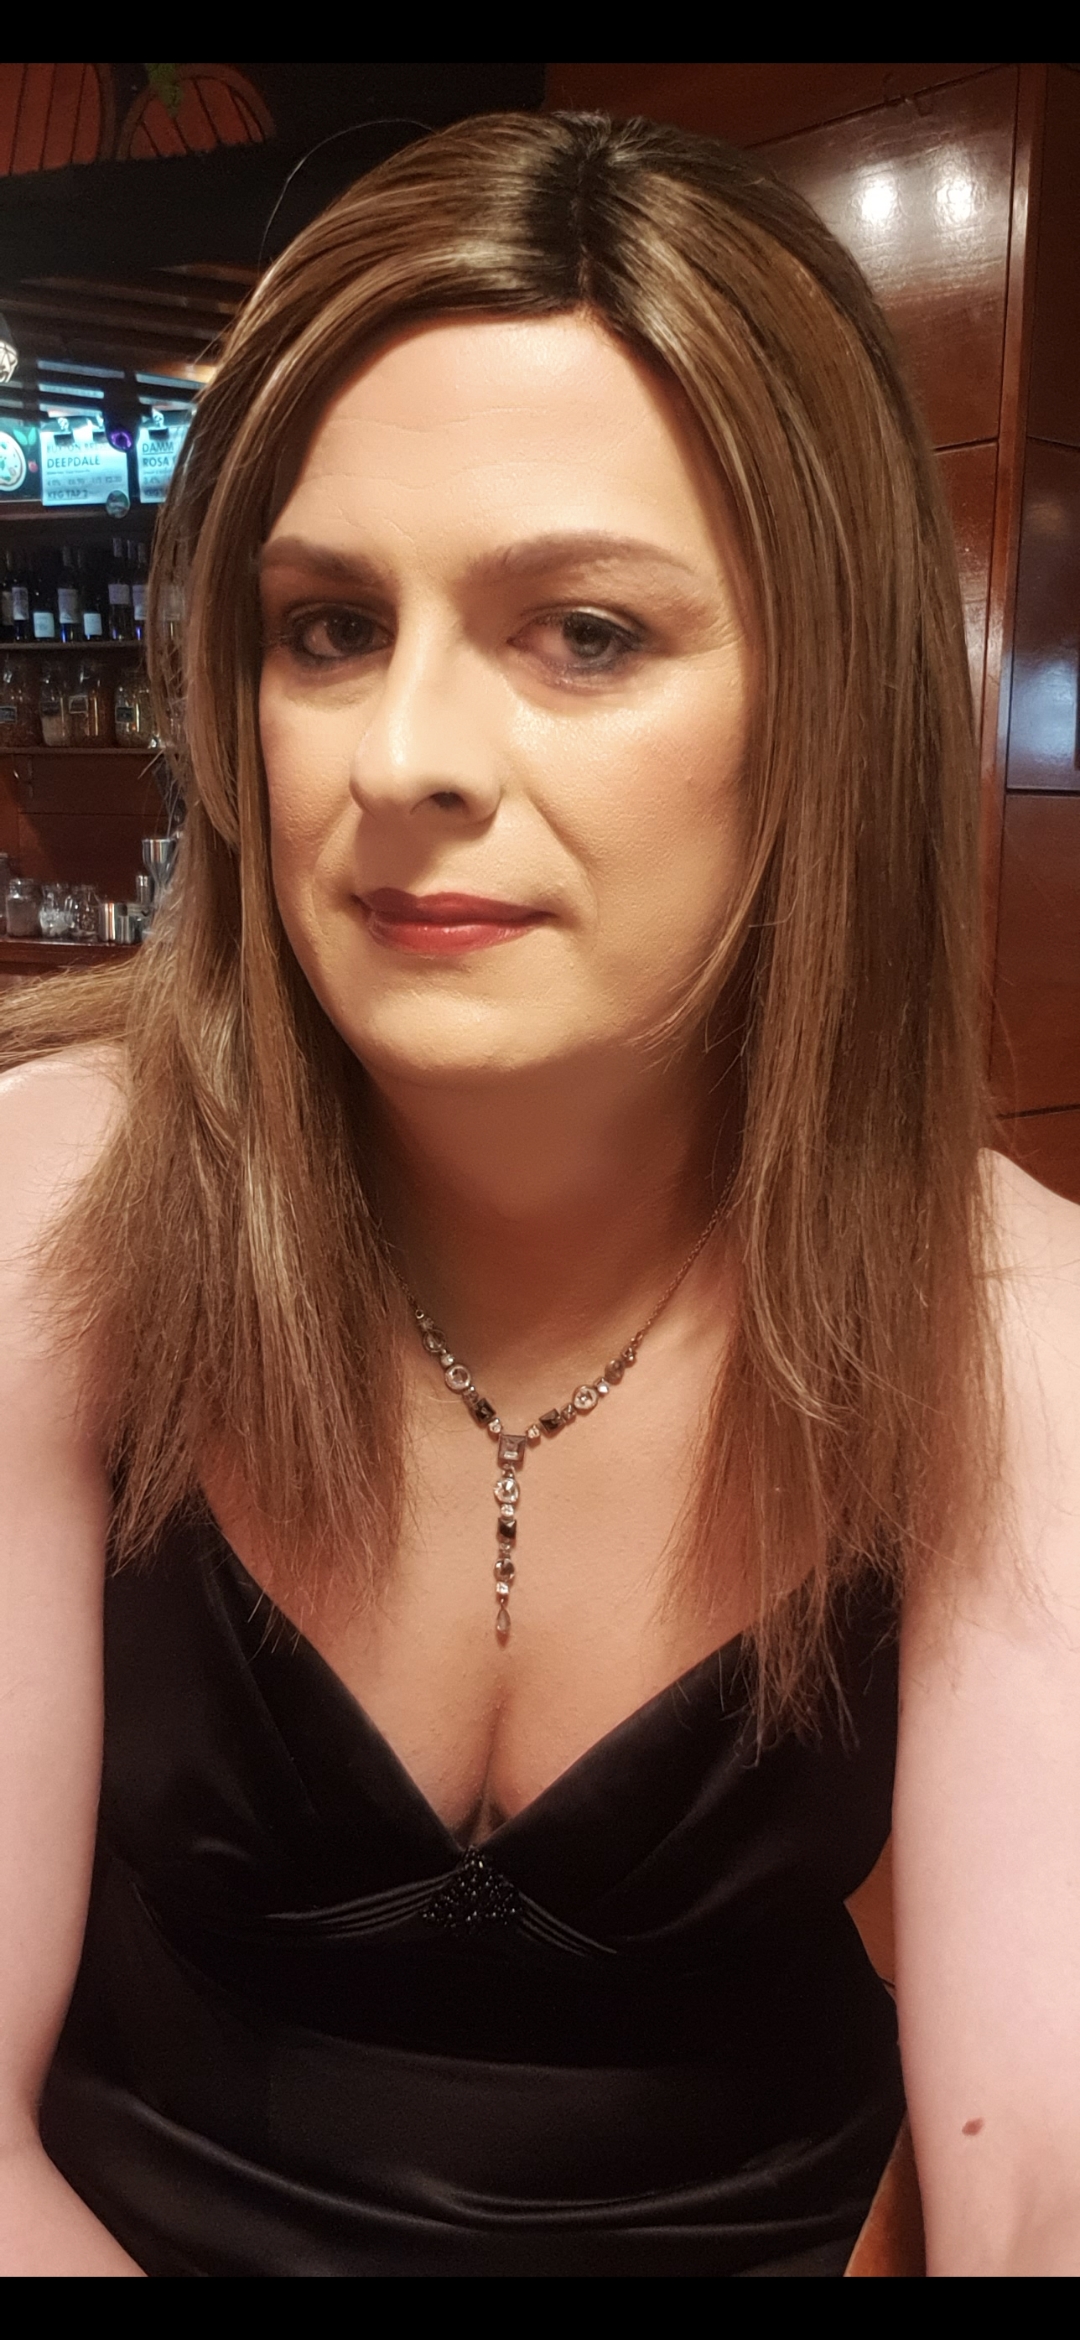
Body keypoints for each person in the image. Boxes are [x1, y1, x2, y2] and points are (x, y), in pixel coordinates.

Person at [1, 110, 1078, 2280]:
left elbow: (1040, 2176)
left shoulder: (1011, 1326)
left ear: (828, 703)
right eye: (327, 627)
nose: (403, 752)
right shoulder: (57, 1207)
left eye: (582, 631)